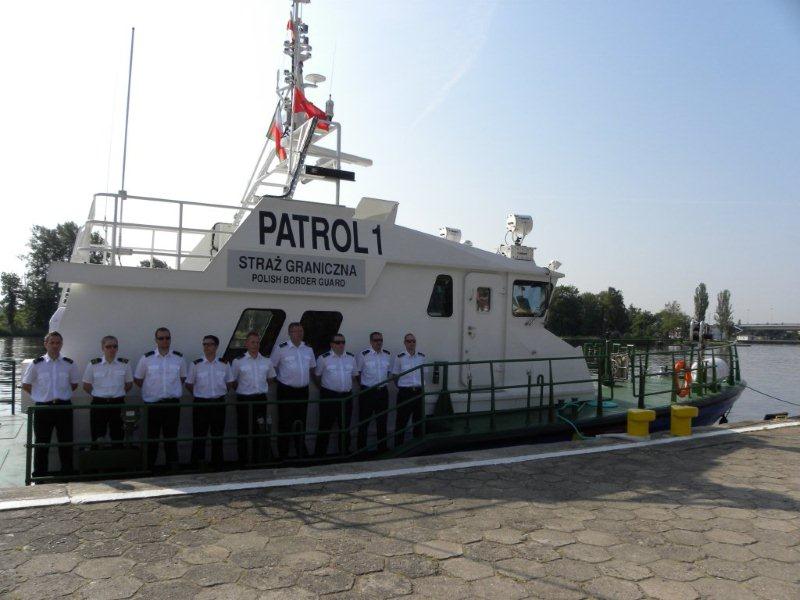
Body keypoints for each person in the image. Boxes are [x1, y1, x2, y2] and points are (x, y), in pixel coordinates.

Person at [21, 331, 80, 476]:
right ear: (45, 344)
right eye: (52, 342)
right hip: (43, 408)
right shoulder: (36, 364)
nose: (55, 345)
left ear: (61, 344)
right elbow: (26, 384)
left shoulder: (69, 364)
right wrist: (40, 396)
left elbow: (74, 384)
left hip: (63, 406)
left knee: (66, 441)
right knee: (41, 443)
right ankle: (40, 474)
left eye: (58, 343)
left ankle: (67, 472)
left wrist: (61, 395)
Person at [134, 327, 186, 470]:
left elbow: (182, 378)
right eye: (161, 338)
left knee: (171, 437)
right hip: (152, 405)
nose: (164, 341)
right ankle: (149, 468)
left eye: (167, 338)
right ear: (156, 340)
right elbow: (138, 379)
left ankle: (172, 468)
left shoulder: (179, 358)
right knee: (151, 438)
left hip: (172, 404)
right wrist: (152, 392)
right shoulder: (146, 358)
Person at [186, 335, 233, 468]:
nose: (206, 347)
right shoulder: (196, 364)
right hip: (201, 403)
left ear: (216, 346)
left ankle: (217, 463)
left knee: (218, 435)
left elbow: (230, 382)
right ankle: (197, 464)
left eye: (210, 344)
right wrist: (200, 394)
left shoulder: (224, 364)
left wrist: (219, 393)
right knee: (199, 435)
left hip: (218, 403)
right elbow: (189, 384)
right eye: (204, 344)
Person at [230, 331, 276, 465]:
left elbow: (271, 379)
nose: (255, 345)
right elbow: (233, 382)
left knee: (259, 429)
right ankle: (243, 460)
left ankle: (258, 459)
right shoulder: (238, 362)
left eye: (257, 342)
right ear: (246, 344)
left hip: (260, 399)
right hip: (244, 400)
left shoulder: (267, 361)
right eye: (252, 342)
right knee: (243, 430)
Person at [271, 322, 315, 459]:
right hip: (286, 391)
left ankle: (301, 453)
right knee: (285, 422)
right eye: (296, 331)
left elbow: (312, 368)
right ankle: (283, 455)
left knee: (301, 421)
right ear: (289, 333)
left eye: (301, 331)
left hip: (303, 391)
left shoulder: (308, 349)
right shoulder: (281, 349)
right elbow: (272, 368)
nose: (299, 334)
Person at [82, 335, 133, 446]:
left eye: (115, 346)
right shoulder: (93, 364)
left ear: (117, 348)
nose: (112, 349)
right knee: (97, 436)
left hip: (118, 404)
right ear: (102, 348)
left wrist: (118, 393)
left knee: (118, 435)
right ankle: (97, 455)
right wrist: (98, 394)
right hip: (99, 404)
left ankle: (117, 455)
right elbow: (86, 385)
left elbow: (129, 384)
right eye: (108, 346)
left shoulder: (125, 364)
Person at [314, 334, 358, 457]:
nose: (341, 345)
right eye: (338, 342)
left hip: (346, 397)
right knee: (324, 427)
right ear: (331, 344)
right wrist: (327, 388)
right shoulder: (323, 358)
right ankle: (320, 455)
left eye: (343, 342)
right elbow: (317, 377)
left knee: (345, 427)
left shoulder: (351, 358)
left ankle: (344, 454)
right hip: (329, 396)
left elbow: (354, 376)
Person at [356, 331, 392, 453]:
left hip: (383, 392)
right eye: (376, 340)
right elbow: (358, 373)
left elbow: (388, 372)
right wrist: (365, 385)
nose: (379, 342)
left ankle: (382, 448)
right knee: (364, 422)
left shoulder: (387, 355)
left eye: (380, 340)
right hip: (368, 392)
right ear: (371, 341)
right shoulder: (363, 355)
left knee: (382, 422)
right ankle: (361, 451)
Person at [392, 333, 427, 447]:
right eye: (408, 341)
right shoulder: (400, 358)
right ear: (404, 343)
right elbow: (395, 376)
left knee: (418, 420)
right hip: (405, 393)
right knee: (401, 421)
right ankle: (398, 446)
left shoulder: (421, 357)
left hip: (419, 392)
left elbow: (424, 374)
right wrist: (402, 387)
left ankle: (418, 445)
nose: (411, 343)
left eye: (413, 341)